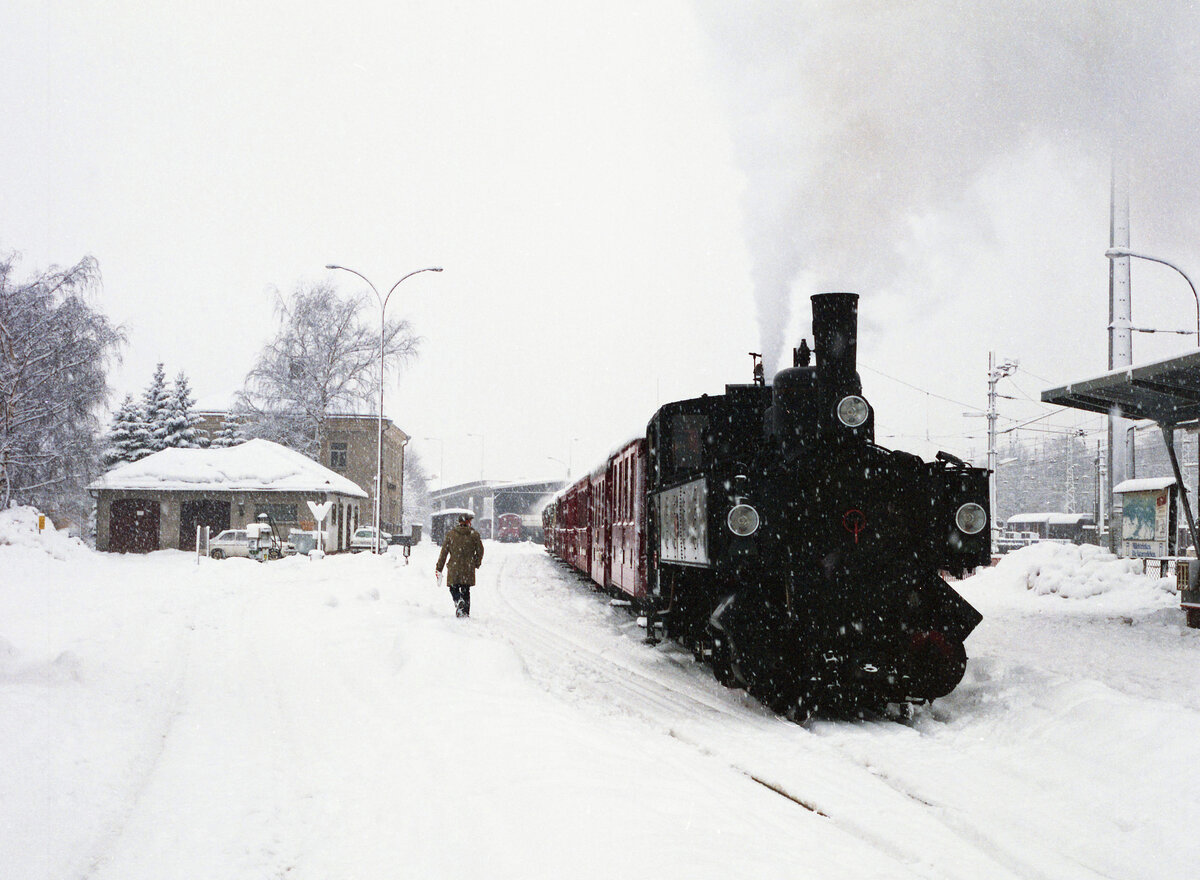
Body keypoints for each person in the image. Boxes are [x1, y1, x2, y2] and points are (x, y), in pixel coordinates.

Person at [436, 512, 484, 617]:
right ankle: (465, 613)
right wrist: (476, 562)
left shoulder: (451, 535)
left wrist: (439, 568)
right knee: (466, 590)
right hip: (468, 567)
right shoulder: (474, 535)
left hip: (454, 567)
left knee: (453, 587)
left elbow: (443, 553)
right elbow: (480, 551)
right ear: (468, 522)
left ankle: (458, 600)